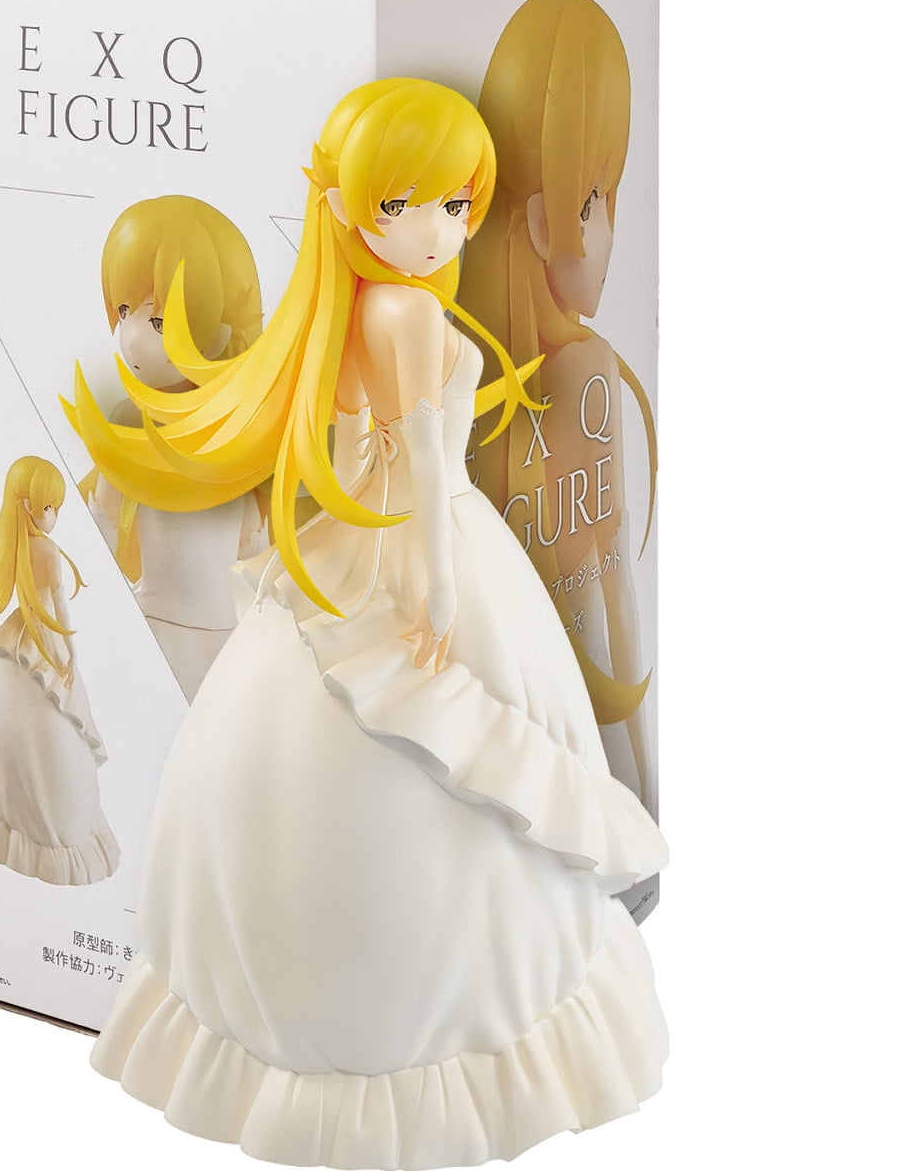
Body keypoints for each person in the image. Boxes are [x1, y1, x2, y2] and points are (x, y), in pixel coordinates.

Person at [72, 78, 667, 1168]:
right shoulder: (406, 312)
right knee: (470, 757)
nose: (435, 229)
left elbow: (356, 454)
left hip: (346, 550)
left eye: (455, 204)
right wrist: (435, 579)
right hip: (424, 545)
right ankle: (439, 1009)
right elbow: (428, 464)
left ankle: (270, 1002)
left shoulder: (337, 306)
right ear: (345, 204)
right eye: (403, 204)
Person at [459, 0, 657, 808]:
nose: (610, 231)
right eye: (594, 199)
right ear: (542, 222)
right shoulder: (584, 367)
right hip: (587, 716)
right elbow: (611, 589)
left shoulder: (462, 365)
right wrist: (643, 784)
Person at [75, 196, 268, 699]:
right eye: (124, 312)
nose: (132, 339)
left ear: (225, 328)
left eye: (160, 322)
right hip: (156, 634)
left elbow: (255, 548)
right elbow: (99, 534)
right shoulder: (132, 427)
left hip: (230, 643)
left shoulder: (244, 435)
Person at [0, 455, 119, 886]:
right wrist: (70, 653)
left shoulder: (14, 544)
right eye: (47, 506)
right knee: (48, 730)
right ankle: (31, 816)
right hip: (42, 639)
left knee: (30, 725)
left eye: (57, 508)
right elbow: (59, 607)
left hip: (19, 636)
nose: (53, 517)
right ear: (25, 505)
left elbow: (5, 593)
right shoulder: (46, 551)